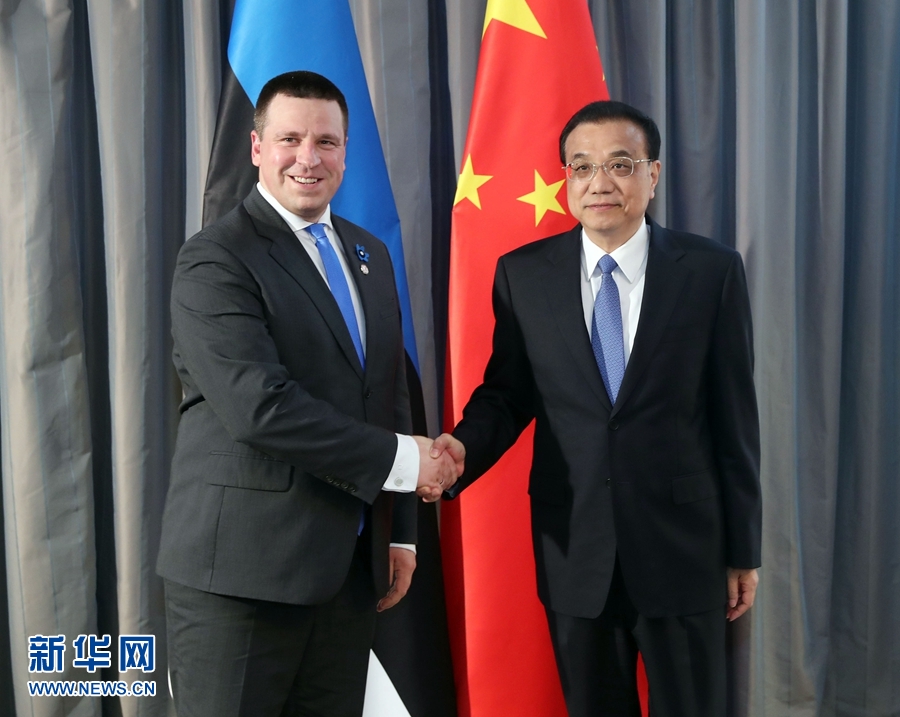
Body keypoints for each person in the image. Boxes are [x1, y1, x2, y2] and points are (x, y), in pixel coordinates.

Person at [435, 100, 761, 717]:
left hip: (684, 550)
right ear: (566, 180)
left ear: (652, 175)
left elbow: (735, 419)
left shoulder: (710, 272)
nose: (599, 182)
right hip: (575, 550)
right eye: (581, 167)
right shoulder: (524, 276)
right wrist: (461, 449)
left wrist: (743, 547)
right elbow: (508, 394)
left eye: (619, 164)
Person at [156, 70, 455, 717]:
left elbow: (388, 395)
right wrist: (409, 460)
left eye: (326, 141)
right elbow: (261, 408)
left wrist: (400, 532)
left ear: (346, 151)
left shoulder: (369, 254)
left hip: (348, 576)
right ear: (257, 147)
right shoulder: (216, 258)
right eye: (290, 139)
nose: (308, 158)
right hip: (242, 581)